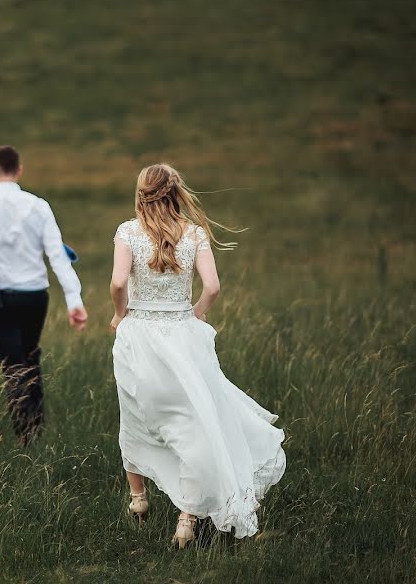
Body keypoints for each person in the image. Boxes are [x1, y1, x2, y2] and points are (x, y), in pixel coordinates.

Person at [109, 163, 286, 548]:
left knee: (136, 414)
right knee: (194, 424)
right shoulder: (194, 235)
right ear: (177, 192)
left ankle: (138, 499)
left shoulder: (128, 232)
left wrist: (121, 314)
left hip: (138, 335)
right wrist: (199, 312)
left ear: (140, 194)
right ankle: (187, 518)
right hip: (184, 335)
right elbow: (214, 286)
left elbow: (119, 281)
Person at [0, 145, 88, 445]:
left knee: (13, 364)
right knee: (29, 355)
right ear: (19, 170)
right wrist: (74, 300)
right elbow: (57, 255)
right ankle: (36, 426)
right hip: (35, 296)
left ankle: (26, 435)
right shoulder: (39, 206)